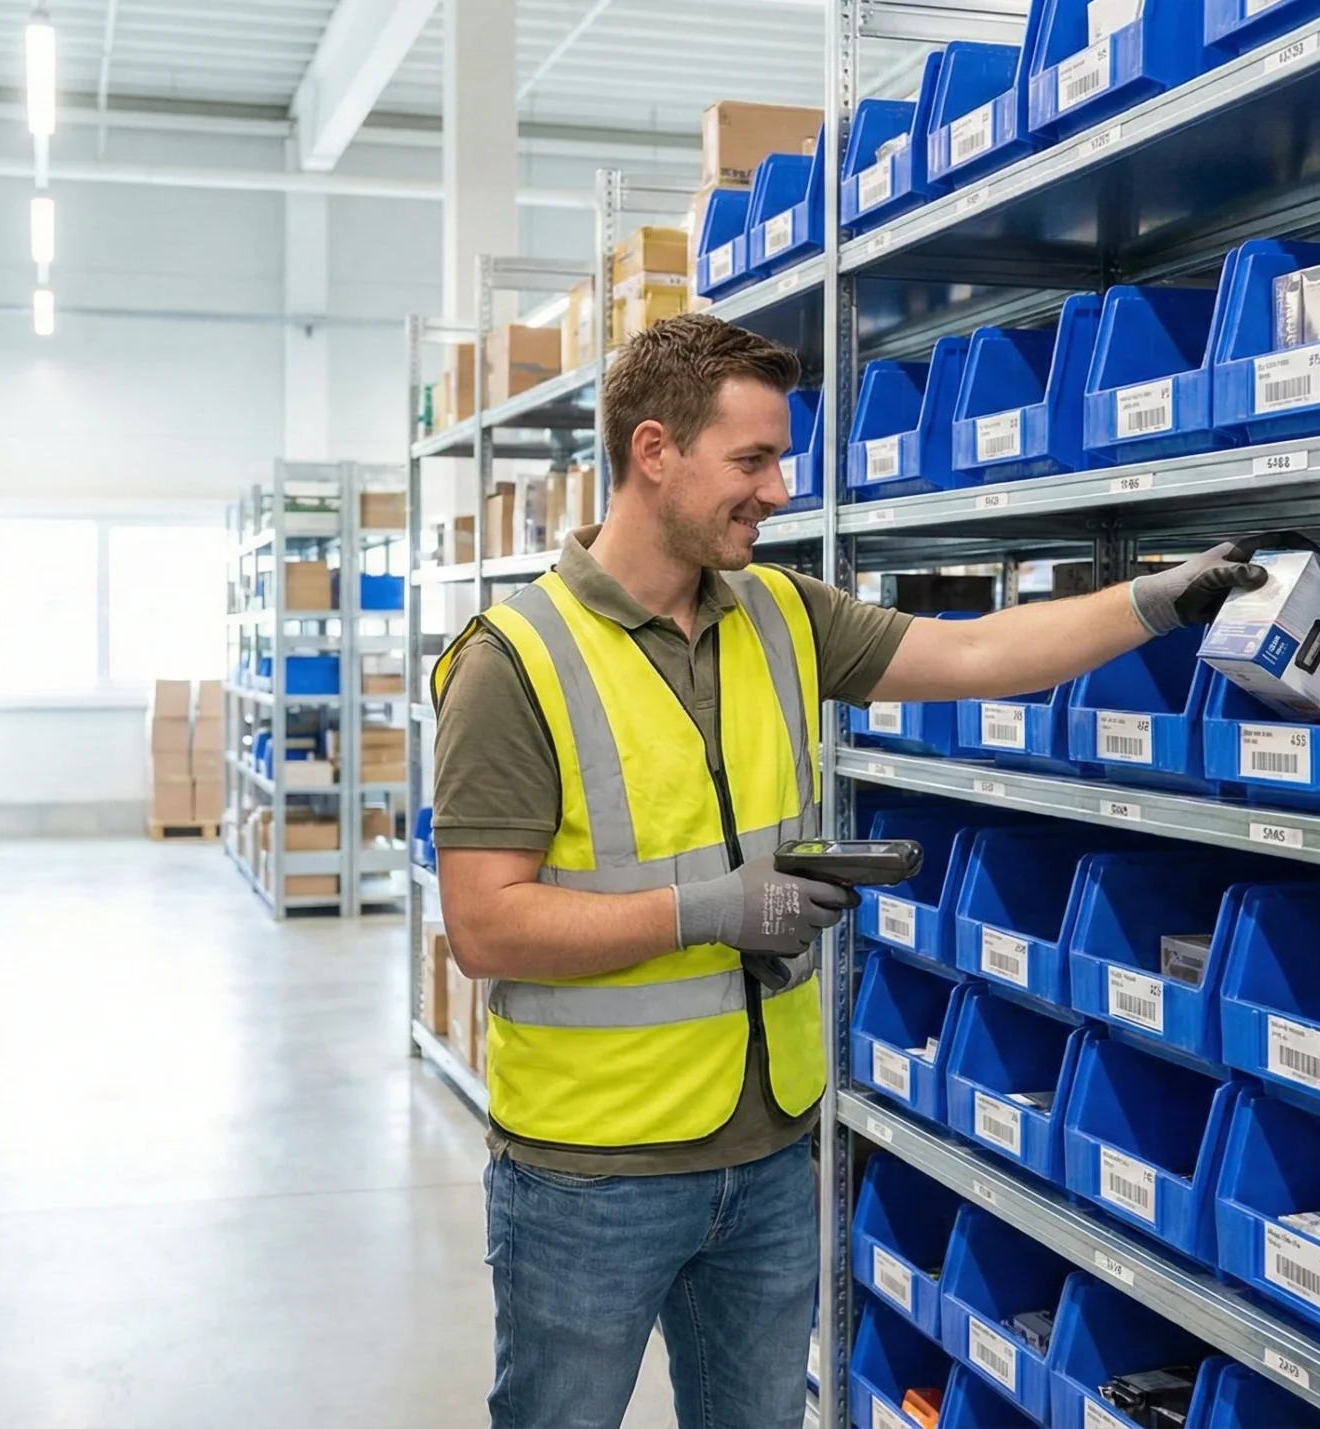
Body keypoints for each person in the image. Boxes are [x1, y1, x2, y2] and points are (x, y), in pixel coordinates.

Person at [430, 313, 1265, 1429]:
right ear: (652, 452)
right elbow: (485, 926)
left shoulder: (778, 612)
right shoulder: (513, 660)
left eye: (779, 459)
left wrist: (1154, 602)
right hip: (592, 1170)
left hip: (771, 1144)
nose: (777, 490)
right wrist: (712, 910)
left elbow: (973, 654)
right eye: (752, 461)